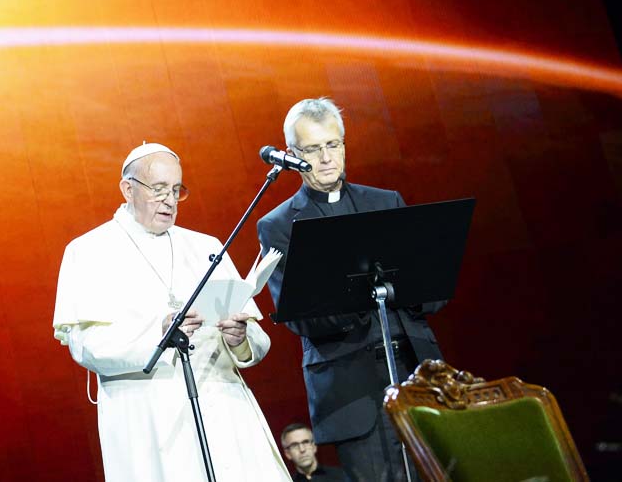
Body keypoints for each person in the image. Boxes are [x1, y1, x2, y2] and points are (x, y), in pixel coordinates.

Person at [53, 143, 291, 481]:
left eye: (176, 190)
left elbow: (255, 336)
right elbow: (86, 346)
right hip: (149, 415)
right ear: (127, 189)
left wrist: (240, 338)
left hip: (224, 408)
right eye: (159, 189)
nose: (169, 200)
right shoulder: (87, 251)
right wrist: (158, 332)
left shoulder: (206, 246)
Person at [258, 98, 444, 482]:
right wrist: (364, 292)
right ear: (292, 155)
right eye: (312, 148)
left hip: (417, 374)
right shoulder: (278, 225)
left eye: (333, 144)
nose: (326, 157)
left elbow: (431, 291)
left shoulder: (384, 202)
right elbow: (301, 318)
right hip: (351, 390)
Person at [281, 423, 347, 481]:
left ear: (314, 446)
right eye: (294, 445)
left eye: (305, 442)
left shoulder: (342, 476)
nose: (302, 449)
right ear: (287, 453)